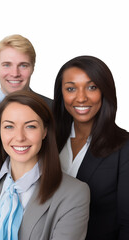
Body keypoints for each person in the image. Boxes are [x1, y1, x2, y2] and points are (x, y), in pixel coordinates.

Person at [0, 90, 90, 240]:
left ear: (45, 131)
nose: (19, 137)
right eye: (9, 126)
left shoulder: (74, 193)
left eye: (30, 126)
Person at [53, 55, 129, 240]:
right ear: (61, 94)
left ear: (105, 91)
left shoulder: (124, 147)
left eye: (92, 87)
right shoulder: (49, 140)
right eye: (71, 88)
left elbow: (127, 223)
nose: (81, 98)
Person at [0, 34, 52, 123]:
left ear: (33, 68)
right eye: (7, 65)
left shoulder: (53, 109)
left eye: (23, 65)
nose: (15, 74)